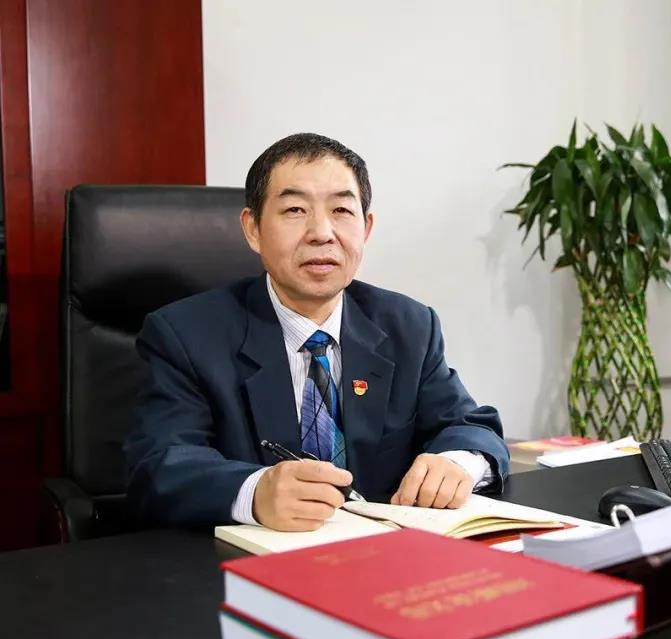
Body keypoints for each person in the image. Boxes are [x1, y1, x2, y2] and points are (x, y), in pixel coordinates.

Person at [125, 133, 509, 530]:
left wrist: (456, 463)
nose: (322, 233)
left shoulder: (408, 326)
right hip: (249, 557)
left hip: (384, 552)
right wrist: (254, 492)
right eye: (295, 210)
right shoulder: (185, 335)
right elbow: (158, 465)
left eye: (341, 210)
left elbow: (470, 426)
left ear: (366, 228)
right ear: (253, 229)